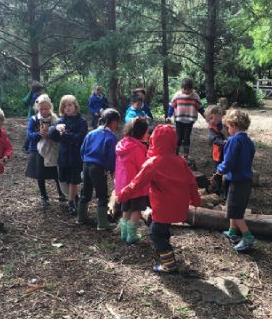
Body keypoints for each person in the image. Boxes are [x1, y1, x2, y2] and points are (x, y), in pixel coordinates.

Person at [117, 125, 201, 274]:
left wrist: (122, 195)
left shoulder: (153, 163)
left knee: (154, 232)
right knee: (162, 230)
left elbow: (136, 183)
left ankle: (169, 264)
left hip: (163, 207)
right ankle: (163, 253)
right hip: (178, 205)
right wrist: (196, 199)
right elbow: (191, 181)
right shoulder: (180, 161)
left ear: (154, 141)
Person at [217, 109, 256, 252]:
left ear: (233, 125)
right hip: (246, 180)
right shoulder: (249, 141)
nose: (228, 130)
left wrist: (220, 170)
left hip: (237, 181)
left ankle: (247, 237)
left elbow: (228, 163)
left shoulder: (234, 141)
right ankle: (232, 232)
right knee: (234, 207)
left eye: (228, 127)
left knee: (235, 212)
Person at [78, 109, 120, 231]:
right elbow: (112, 157)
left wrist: (85, 161)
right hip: (98, 168)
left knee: (85, 192)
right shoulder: (111, 137)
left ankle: (81, 217)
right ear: (112, 122)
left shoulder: (91, 134)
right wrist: (112, 170)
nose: (117, 125)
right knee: (102, 194)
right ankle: (102, 223)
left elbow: (82, 150)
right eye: (117, 122)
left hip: (86, 165)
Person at [49, 95, 88, 216]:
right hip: (63, 156)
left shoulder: (81, 121)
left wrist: (64, 134)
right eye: (64, 106)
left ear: (75, 106)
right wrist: (55, 128)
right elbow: (53, 136)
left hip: (75, 156)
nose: (67, 108)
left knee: (73, 180)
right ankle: (74, 196)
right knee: (63, 179)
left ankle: (71, 202)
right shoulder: (61, 121)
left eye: (70, 105)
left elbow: (79, 138)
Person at [25, 94, 65, 206]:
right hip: (37, 150)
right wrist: (40, 134)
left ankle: (61, 193)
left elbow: (58, 135)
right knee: (40, 174)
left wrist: (51, 134)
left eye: (46, 108)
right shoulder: (34, 120)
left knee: (55, 172)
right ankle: (44, 195)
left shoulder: (55, 119)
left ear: (50, 108)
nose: (44, 111)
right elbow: (29, 135)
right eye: (41, 109)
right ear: (38, 108)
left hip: (52, 149)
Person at [115, 118, 150, 244]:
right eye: (147, 132)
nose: (148, 134)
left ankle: (124, 234)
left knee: (126, 208)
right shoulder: (137, 148)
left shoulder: (122, 144)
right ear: (140, 133)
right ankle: (132, 236)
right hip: (135, 185)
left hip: (123, 185)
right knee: (136, 209)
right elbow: (143, 167)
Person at [167, 78, 205, 159]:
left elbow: (200, 108)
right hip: (179, 120)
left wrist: (206, 116)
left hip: (189, 121)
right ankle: (175, 153)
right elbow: (172, 105)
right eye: (185, 89)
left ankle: (186, 155)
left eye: (189, 89)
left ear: (192, 89)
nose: (187, 91)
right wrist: (169, 116)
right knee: (178, 138)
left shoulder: (195, 96)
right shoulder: (177, 95)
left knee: (186, 137)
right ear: (181, 88)